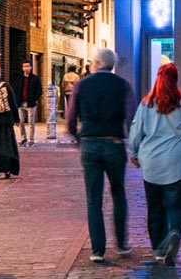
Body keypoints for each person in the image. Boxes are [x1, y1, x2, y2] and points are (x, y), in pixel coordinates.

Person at [127, 63, 181, 266]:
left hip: (151, 164)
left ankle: (158, 249)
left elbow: (136, 131)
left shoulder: (146, 104)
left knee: (154, 208)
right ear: (176, 80)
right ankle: (174, 231)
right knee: (178, 205)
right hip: (175, 163)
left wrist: (134, 152)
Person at [66, 46, 138, 263]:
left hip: (90, 143)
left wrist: (79, 137)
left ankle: (98, 249)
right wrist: (124, 135)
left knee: (93, 198)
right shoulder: (122, 85)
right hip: (114, 143)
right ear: (112, 65)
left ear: (96, 64)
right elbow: (131, 114)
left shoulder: (82, 85)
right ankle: (122, 244)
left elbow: (70, 118)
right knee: (118, 192)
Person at [14, 60, 42, 146]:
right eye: (24, 66)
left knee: (31, 122)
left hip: (31, 103)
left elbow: (39, 90)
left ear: (31, 67)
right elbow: (16, 89)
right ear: (22, 68)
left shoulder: (35, 78)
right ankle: (23, 138)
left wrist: (34, 98)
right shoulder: (19, 78)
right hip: (21, 103)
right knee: (21, 121)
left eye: (27, 66)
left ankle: (31, 139)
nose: (26, 68)